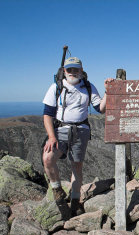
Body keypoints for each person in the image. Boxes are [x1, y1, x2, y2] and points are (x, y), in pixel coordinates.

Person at [42, 56, 114, 217]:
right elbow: (47, 115)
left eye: (76, 69)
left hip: (81, 130)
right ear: (64, 71)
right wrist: (51, 137)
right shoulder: (56, 87)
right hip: (59, 130)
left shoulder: (87, 86)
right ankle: (58, 191)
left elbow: (100, 108)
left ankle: (75, 201)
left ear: (81, 71)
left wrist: (108, 91)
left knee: (77, 166)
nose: (73, 72)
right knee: (48, 158)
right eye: (69, 69)